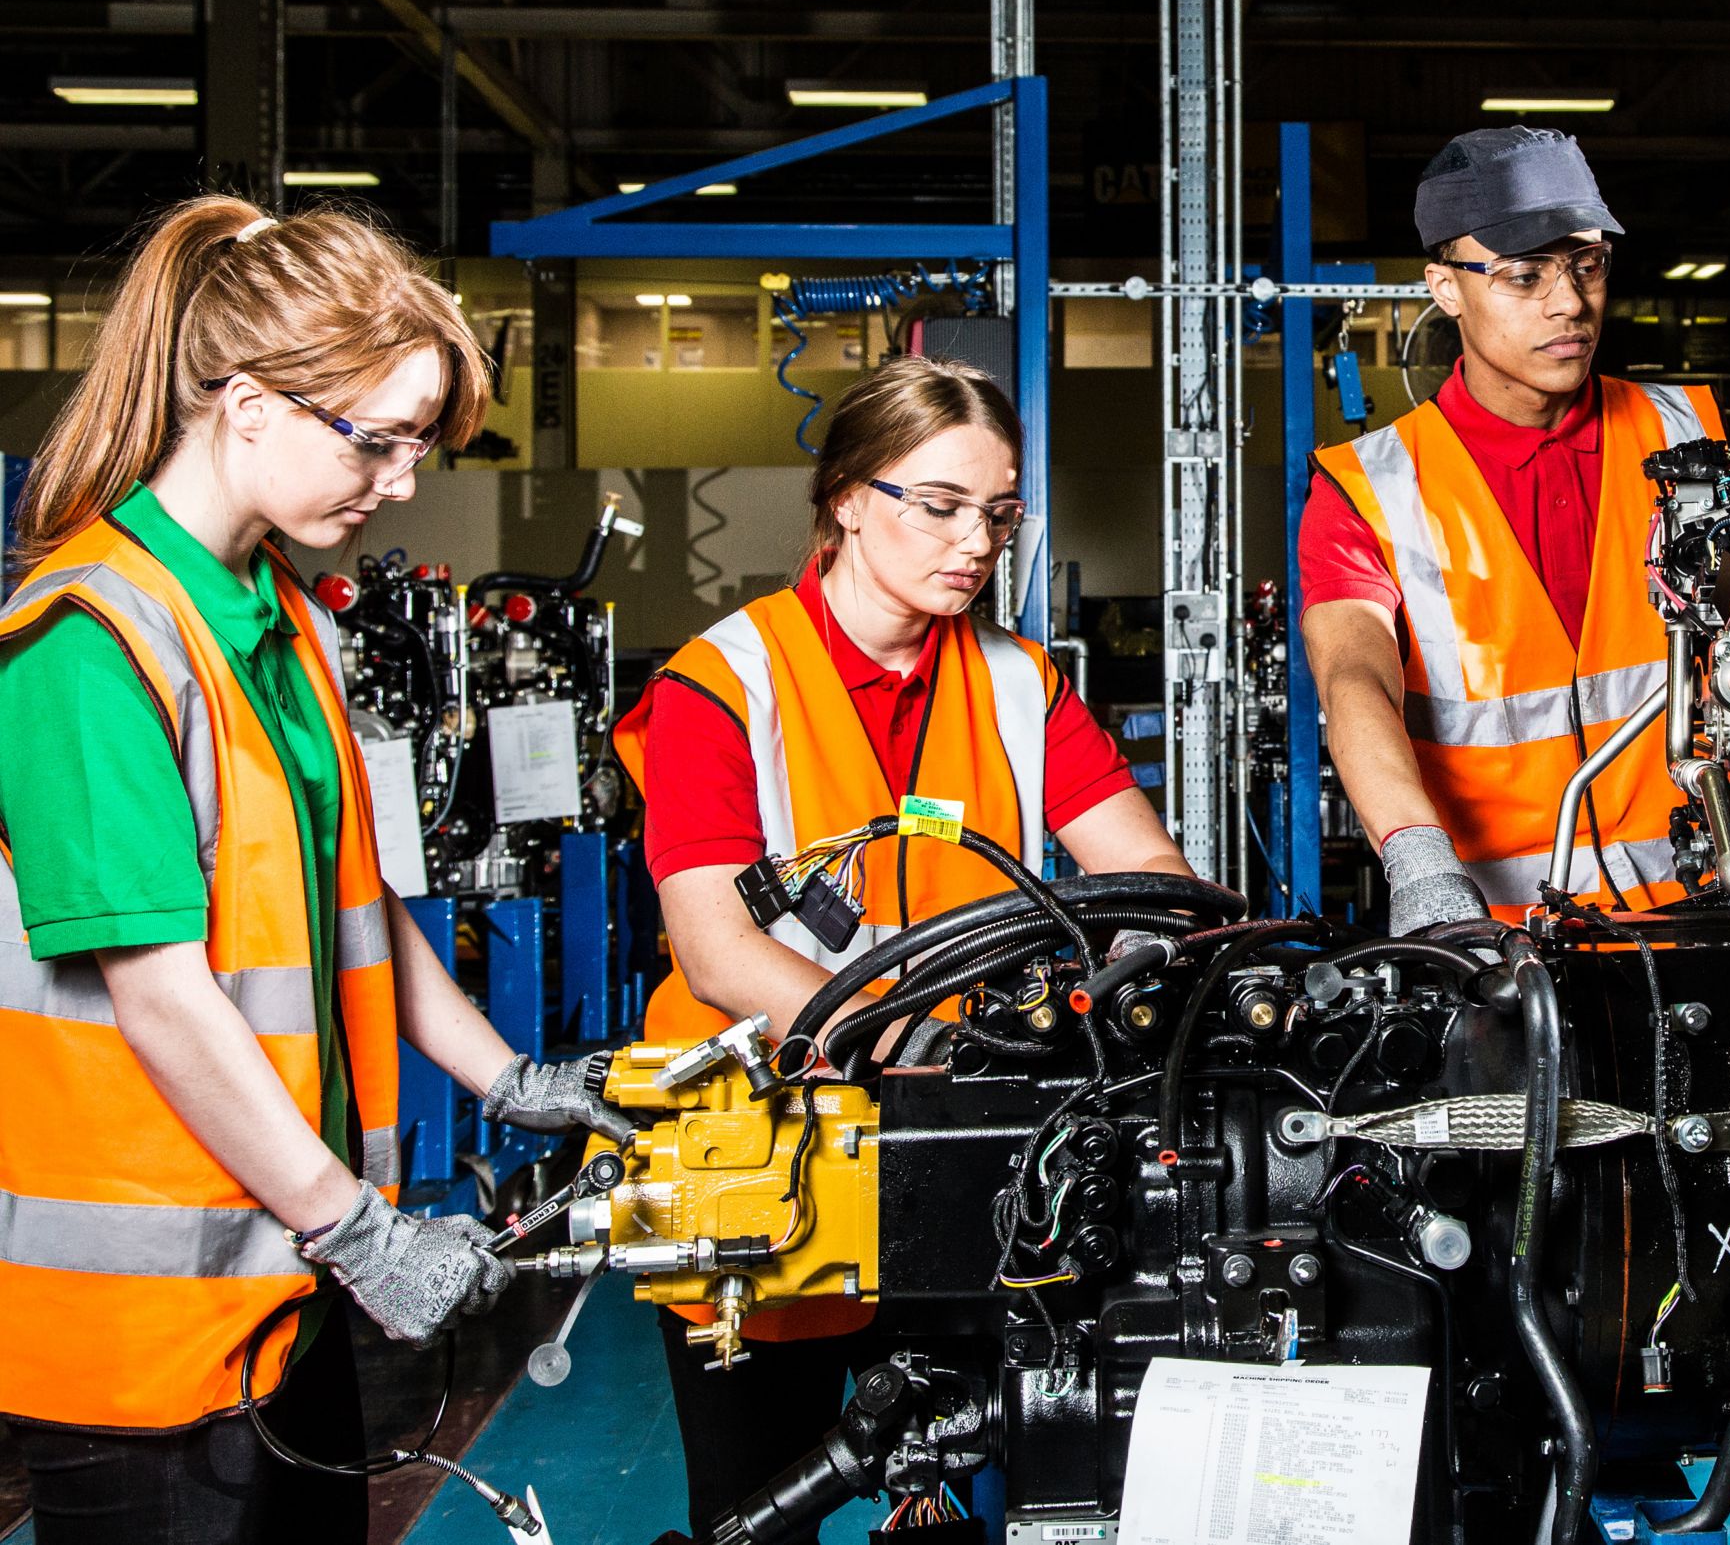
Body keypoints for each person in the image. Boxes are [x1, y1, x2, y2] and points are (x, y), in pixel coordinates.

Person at [0, 196, 629, 1544]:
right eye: (382, 439)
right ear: (247, 404)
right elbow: (160, 991)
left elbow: (361, 910)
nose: (400, 481)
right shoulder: (85, 645)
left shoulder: (283, 620)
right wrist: (360, 1225)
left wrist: (508, 1077)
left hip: (280, 1295)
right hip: (145, 1332)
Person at [613, 353, 1199, 1533]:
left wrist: (1146, 975)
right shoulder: (721, 684)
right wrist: (937, 1031)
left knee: (971, 1505)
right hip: (761, 1162)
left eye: (996, 513)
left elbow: (1156, 884)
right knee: (754, 1509)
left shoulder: (1021, 681)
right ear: (845, 498)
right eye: (937, 506)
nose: (975, 543)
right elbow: (720, 950)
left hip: (965, 1165)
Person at [1298, 126, 1722, 933]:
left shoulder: (1689, 437)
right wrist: (1419, 863)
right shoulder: (1370, 491)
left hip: (1703, 919)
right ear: (1445, 287)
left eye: (1587, 264)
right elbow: (1355, 680)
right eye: (1525, 274)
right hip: (1492, 941)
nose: (1569, 302)